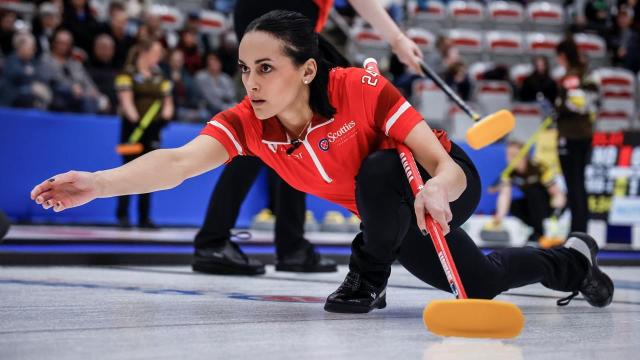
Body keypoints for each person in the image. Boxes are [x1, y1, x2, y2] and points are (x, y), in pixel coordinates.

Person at [31, 11, 613, 314]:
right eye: (243, 68)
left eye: (266, 68)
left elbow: (447, 165)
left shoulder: (360, 88)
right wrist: (96, 182)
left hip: (434, 181)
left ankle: (367, 275)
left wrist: (438, 190)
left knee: (382, 169)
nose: (251, 82)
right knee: (479, 286)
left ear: (307, 69)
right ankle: (572, 262)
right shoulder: (248, 123)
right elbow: (179, 162)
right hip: (387, 213)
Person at [193, 0, 425, 276]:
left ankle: (244, 241)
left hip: (264, 13)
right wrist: (397, 39)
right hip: (289, 14)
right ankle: (237, 242)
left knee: (281, 125)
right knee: (307, 111)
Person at [114, 39, 174, 228]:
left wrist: (163, 119)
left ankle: (144, 217)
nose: (159, 57)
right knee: (127, 171)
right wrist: (137, 121)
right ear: (144, 52)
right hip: (133, 130)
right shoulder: (127, 74)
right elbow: (126, 101)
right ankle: (123, 215)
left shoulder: (159, 76)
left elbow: (168, 102)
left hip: (153, 130)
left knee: (149, 172)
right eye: (156, 52)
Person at [555, 37, 598, 233]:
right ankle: (580, 230)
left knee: (575, 186)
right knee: (578, 185)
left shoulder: (573, 76)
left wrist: (558, 106)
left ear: (563, 56)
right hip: (583, 135)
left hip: (572, 136)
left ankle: (578, 231)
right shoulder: (586, 73)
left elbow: (578, 105)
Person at [489, 141, 566, 244]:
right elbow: (505, 195)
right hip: (532, 207)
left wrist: (555, 215)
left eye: (514, 155)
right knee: (514, 205)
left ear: (525, 156)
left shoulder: (539, 168)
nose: (510, 158)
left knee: (533, 194)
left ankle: (541, 232)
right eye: (508, 155)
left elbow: (557, 194)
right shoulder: (509, 172)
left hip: (549, 206)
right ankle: (536, 231)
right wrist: (499, 216)